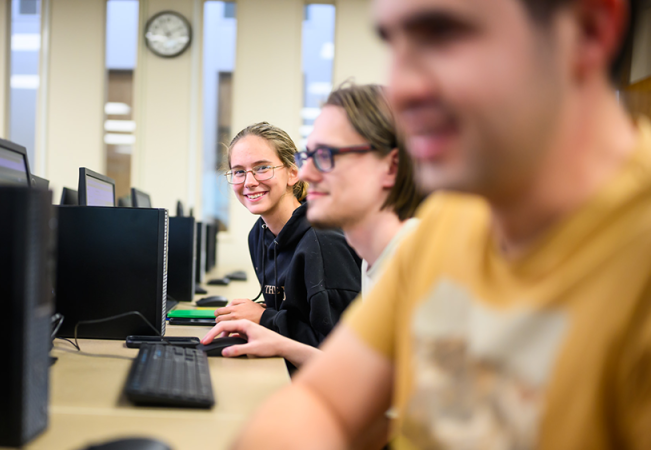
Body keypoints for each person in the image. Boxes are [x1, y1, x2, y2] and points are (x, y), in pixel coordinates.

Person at [235, 0, 651, 449]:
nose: (402, 89)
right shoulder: (447, 223)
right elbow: (327, 402)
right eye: (394, 44)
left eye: (443, 35)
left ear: (588, 30)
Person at [202, 83, 422, 368]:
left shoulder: (419, 256)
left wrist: (267, 322)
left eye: (327, 155)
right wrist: (274, 337)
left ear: (390, 167)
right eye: (311, 155)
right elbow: (359, 372)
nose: (305, 172)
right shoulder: (373, 261)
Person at [215, 122, 362, 357]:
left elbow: (338, 351)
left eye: (262, 168)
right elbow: (296, 314)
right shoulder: (259, 234)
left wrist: (264, 318)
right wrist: (252, 317)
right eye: (239, 171)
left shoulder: (322, 241)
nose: (249, 181)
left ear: (293, 173)